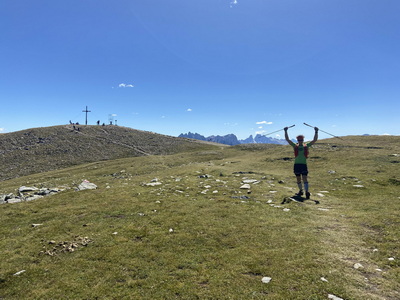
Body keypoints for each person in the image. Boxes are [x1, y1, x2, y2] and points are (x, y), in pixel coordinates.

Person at [284, 126, 318, 199]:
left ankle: (306, 192)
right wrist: (286, 131)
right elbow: (287, 139)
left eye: (301, 139)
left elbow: (314, 140)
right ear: (297, 140)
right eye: (299, 140)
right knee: (298, 178)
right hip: (297, 165)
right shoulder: (295, 146)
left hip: (302, 165)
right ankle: (301, 190)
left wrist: (316, 131)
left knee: (304, 178)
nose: (300, 141)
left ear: (303, 140)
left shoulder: (306, 146)